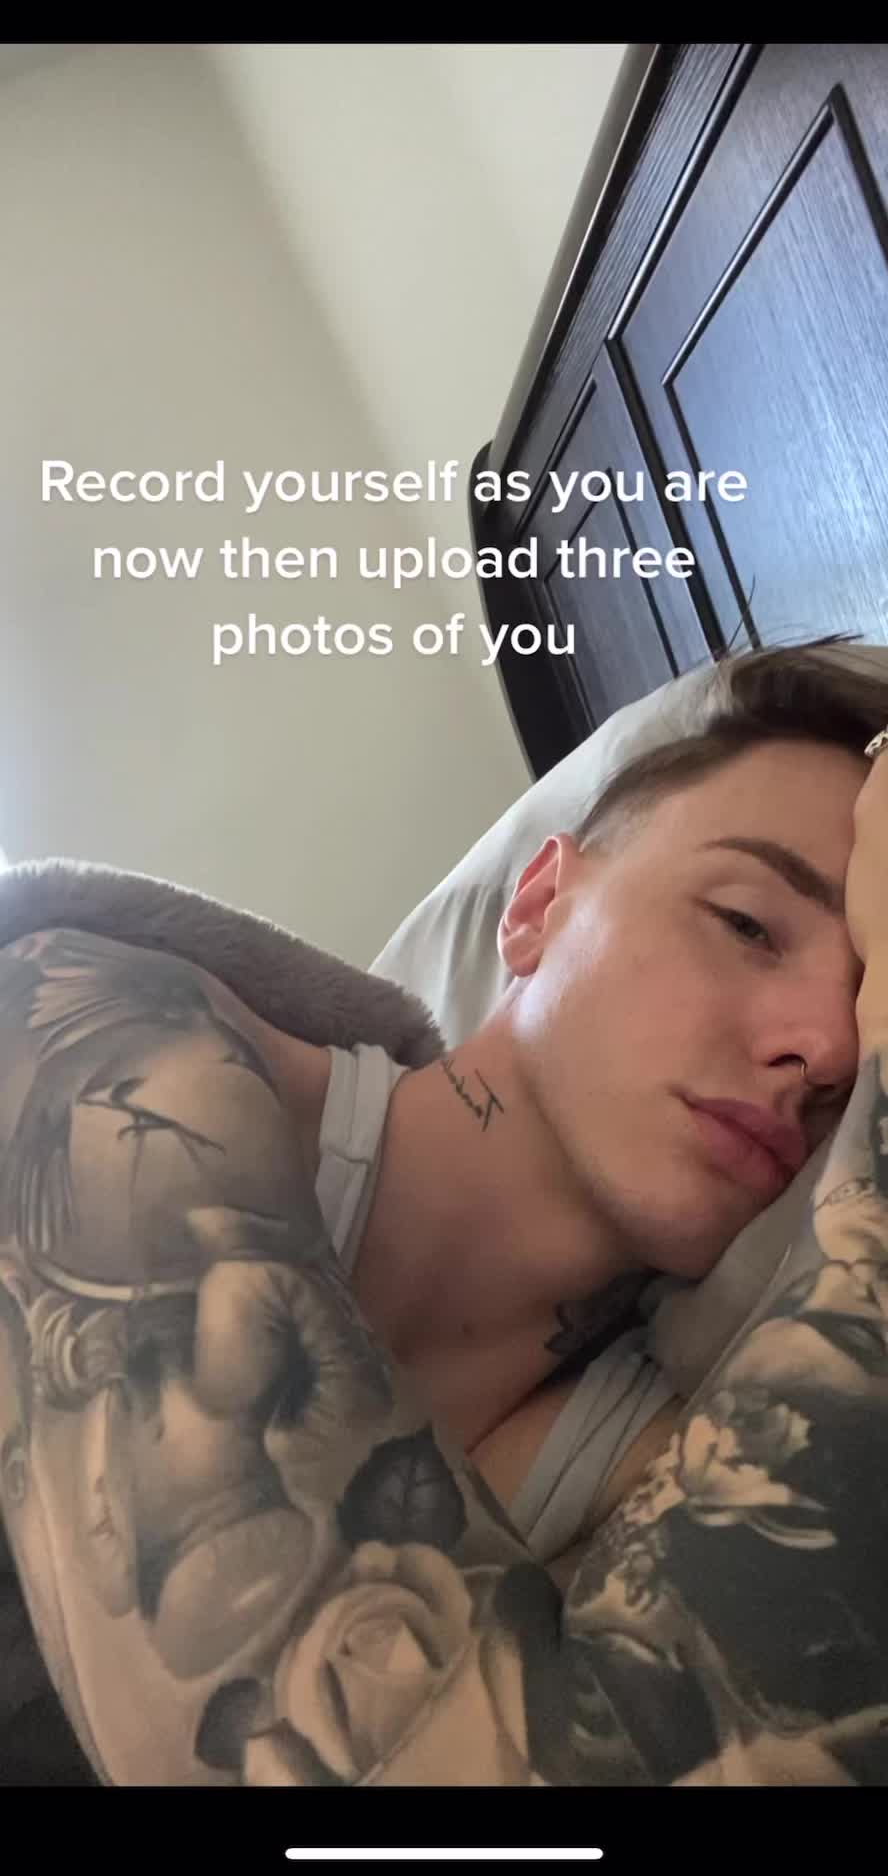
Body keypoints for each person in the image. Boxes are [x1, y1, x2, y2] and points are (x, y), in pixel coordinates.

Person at [1, 637, 888, 1785]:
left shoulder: (668, 1463)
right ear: (537, 907)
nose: (825, 1051)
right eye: (748, 924)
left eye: (870, 1007)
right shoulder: (112, 1040)